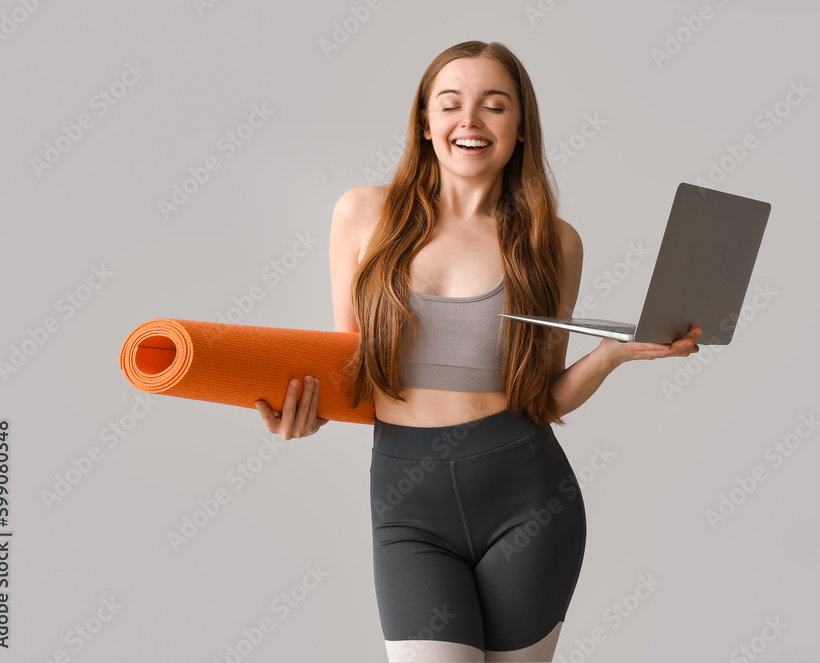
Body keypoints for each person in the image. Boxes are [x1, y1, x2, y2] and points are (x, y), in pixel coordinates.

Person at [255, 40, 702, 663]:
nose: (470, 120)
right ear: (425, 121)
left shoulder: (553, 242)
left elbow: (541, 396)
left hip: (529, 501)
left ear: (519, 130)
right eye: (450, 104)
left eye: (494, 106)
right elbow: (350, 364)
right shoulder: (363, 214)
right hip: (408, 509)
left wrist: (613, 355)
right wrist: (306, 413)